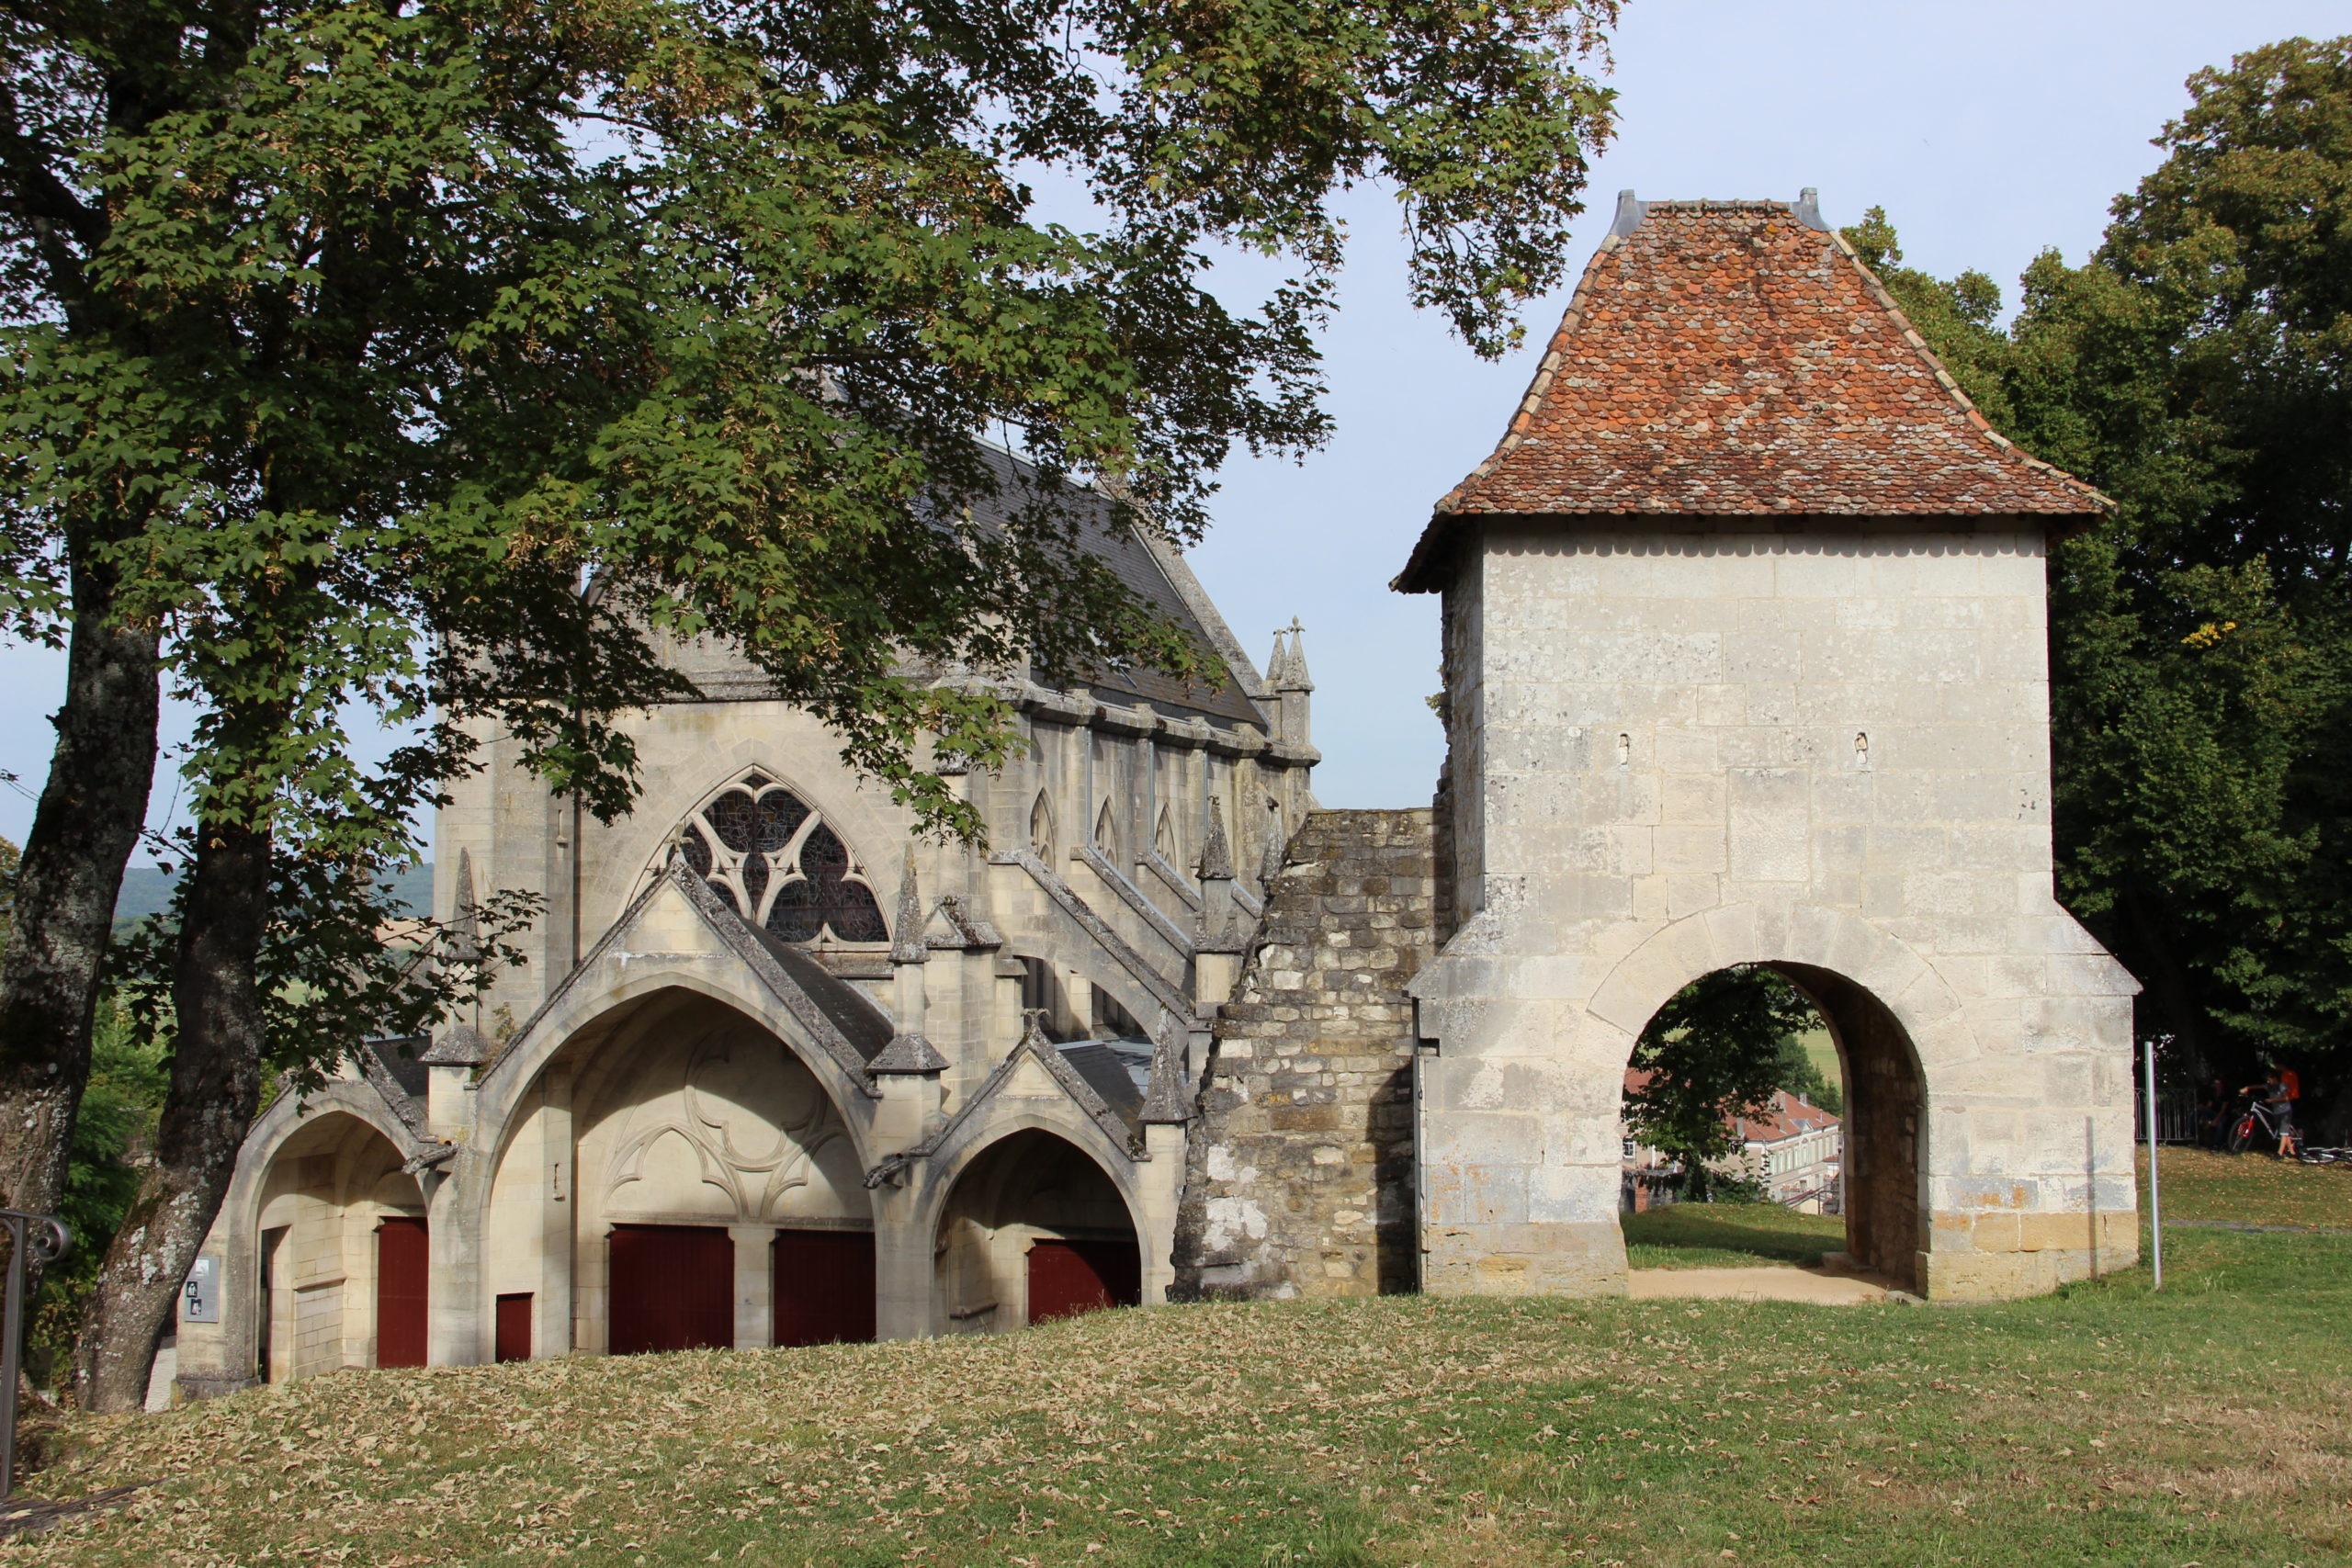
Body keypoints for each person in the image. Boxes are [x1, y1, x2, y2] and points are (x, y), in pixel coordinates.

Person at [2241, 1067, 2301, 1159]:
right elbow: (2258, 1086)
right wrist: (2247, 1088)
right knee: (2283, 1132)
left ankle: (2280, 1154)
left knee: (2283, 1133)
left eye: (2269, 1079)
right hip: (2277, 1112)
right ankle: (2292, 1152)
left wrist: (2272, 1100)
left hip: (2285, 1112)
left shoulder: (2282, 1086)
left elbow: (2286, 1098)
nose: (2268, 1081)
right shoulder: (2269, 1086)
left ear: (2274, 1078)